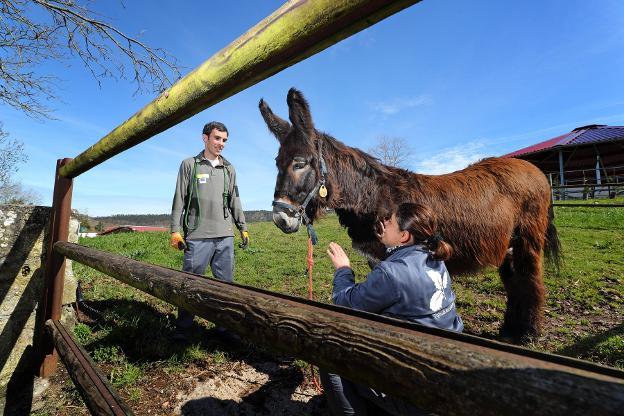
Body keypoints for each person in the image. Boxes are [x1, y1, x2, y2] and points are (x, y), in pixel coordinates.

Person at [322, 202, 463, 416]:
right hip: (446, 366)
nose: (384, 222)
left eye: (391, 221)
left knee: (328, 355)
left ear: (404, 236)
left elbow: (344, 303)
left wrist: (343, 269)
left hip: (417, 390)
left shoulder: (392, 272)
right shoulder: (436, 257)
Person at [170, 121, 249, 341]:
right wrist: (175, 231)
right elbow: (180, 198)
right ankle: (184, 328)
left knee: (225, 287)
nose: (221, 144)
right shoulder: (190, 165)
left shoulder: (229, 169)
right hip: (197, 235)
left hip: (225, 236)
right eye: (217, 138)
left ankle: (225, 327)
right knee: (191, 285)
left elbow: (235, 200)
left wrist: (242, 227)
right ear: (205, 138)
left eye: (224, 140)